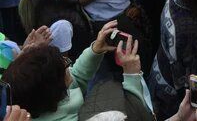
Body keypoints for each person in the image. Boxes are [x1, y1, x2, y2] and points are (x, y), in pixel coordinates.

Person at [3, 21, 154, 121]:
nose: (69, 66)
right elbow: (139, 113)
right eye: (65, 66)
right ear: (56, 89)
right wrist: (132, 74)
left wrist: (95, 51)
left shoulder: (44, 101)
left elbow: (75, 79)